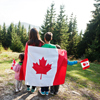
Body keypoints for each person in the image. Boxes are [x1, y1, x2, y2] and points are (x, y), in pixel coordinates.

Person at [26, 28, 44, 93]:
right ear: (37, 34)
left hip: (30, 62)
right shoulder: (41, 43)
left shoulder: (28, 43)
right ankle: (33, 88)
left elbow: (26, 53)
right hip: (38, 62)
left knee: (29, 73)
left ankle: (28, 87)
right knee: (35, 75)